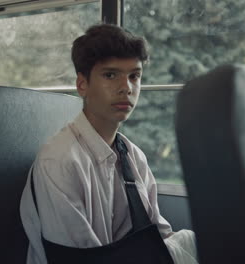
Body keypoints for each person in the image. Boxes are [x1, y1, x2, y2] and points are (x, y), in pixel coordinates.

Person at [20, 24, 198, 264]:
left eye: (134, 76)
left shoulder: (134, 156)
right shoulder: (60, 161)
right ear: (82, 85)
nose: (126, 88)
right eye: (110, 75)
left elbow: (159, 235)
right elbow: (78, 258)